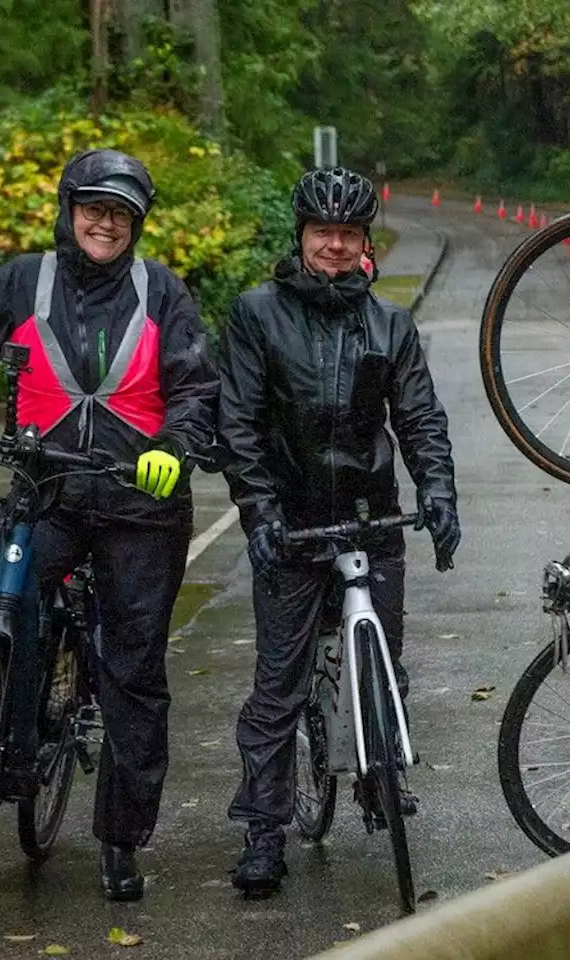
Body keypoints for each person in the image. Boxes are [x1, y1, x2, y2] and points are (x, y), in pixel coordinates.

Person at [0, 148, 218, 901]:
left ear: (137, 224)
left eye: (122, 214)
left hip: (140, 506)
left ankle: (119, 839)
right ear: (69, 209)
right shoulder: (21, 280)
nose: (106, 223)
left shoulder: (163, 292)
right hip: (49, 493)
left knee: (132, 672)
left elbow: (199, 390)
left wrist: (173, 447)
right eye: (94, 208)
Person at [214, 166, 459, 895]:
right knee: (278, 688)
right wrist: (258, 513)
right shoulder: (258, 314)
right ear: (301, 236)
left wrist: (439, 495)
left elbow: (419, 420)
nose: (333, 245)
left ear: (363, 243)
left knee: (385, 661)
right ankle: (264, 830)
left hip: (370, 516)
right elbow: (241, 426)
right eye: (322, 232)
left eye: (347, 234)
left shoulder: (390, 325)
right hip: (289, 526)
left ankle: (378, 774)